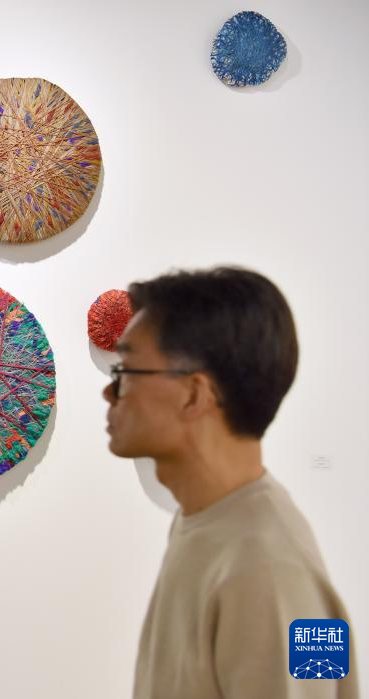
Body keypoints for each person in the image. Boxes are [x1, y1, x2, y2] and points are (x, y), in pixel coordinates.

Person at [102, 266, 357, 699]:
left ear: (194, 395)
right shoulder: (205, 520)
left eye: (126, 371)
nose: (109, 394)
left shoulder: (270, 567)